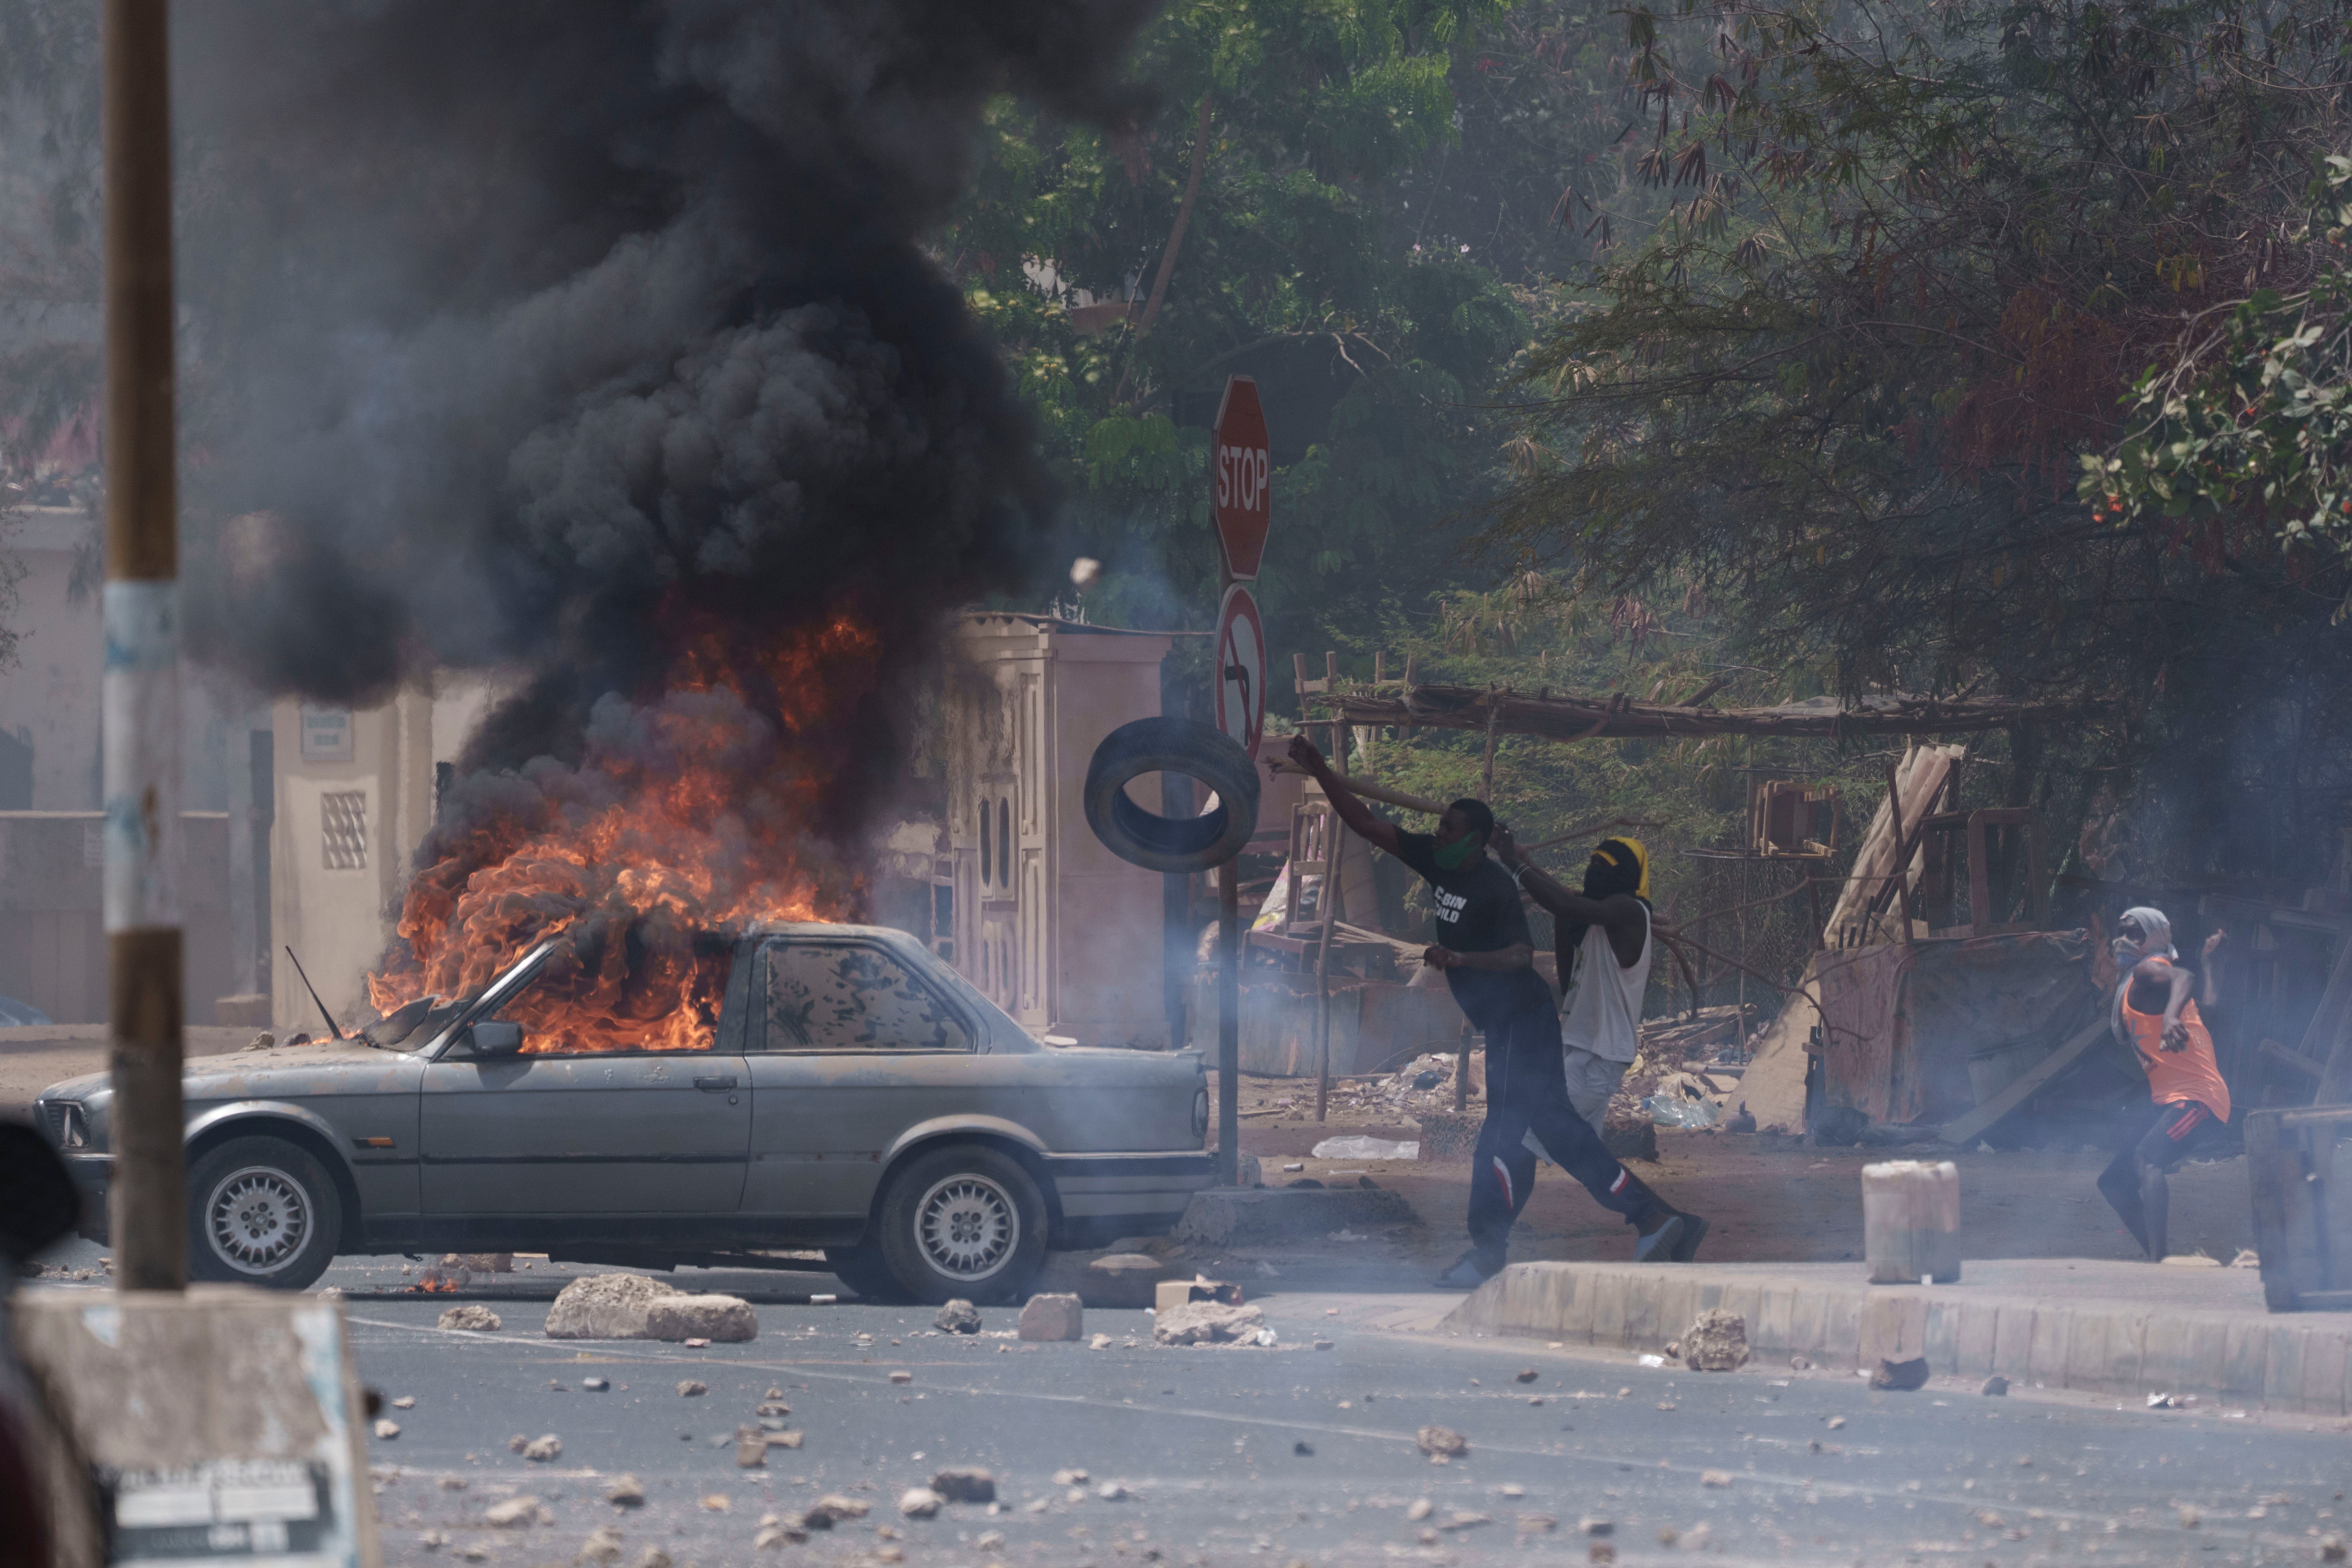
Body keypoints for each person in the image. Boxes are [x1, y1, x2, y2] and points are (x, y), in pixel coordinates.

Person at [1283, 735, 1698, 1287]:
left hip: (1519, 1021)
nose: (1439, 835)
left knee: (1507, 1137)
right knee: (1550, 1131)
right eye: (1441, 827)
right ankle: (1652, 1217)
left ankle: (1490, 1250)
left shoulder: (1497, 887)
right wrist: (1319, 769)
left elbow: (1523, 956)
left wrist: (1460, 954)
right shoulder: (1436, 860)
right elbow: (1366, 824)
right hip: (1521, 1026)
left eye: (1451, 830)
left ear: (1476, 842)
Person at [2096, 927, 2230, 1262]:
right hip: (2171, 1099)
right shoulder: (2155, 999)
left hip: (2198, 1099)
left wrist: (2171, 1015)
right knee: (2114, 1183)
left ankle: (2160, 1263)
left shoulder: (2149, 978)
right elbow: (2209, 1011)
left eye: (2134, 934)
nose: (2123, 941)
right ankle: (2160, 1258)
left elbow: (2183, 976)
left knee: (2147, 1159)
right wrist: (2210, 966)